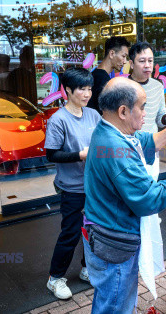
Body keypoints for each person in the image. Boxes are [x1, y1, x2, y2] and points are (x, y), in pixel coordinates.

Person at [82, 77, 166, 313]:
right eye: (142, 106)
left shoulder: (110, 130)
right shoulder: (115, 149)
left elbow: (147, 142)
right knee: (116, 305)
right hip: (113, 241)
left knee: (108, 298)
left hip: (101, 234)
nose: (145, 113)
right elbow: (149, 199)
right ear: (122, 111)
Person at [44, 68, 101, 300]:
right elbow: (51, 155)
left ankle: (87, 269)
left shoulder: (93, 115)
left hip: (94, 186)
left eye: (89, 88)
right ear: (67, 90)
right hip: (72, 188)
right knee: (70, 233)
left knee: (93, 230)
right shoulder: (58, 120)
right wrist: (80, 155)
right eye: (81, 89)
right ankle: (55, 278)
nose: (87, 93)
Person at [128, 41, 166, 179]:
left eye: (150, 61)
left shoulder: (157, 86)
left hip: (151, 146)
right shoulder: (122, 86)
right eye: (142, 61)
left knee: (151, 185)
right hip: (128, 149)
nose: (147, 65)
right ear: (131, 64)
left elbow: (160, 119)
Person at [88, 36, 130, 114]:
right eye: (123, 56)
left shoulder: (95, 75)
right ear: (111, 54)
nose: (125, 61)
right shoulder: (103, 80)